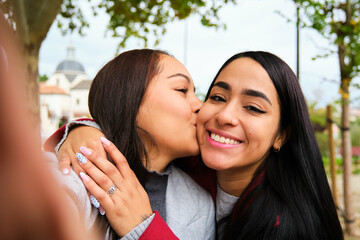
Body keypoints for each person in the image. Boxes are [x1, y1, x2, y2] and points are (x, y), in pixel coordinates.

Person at [46, 51, 343, 239]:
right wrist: (84, 130)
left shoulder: (286, 227)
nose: (219, 114)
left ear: (282, 135)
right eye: (217, 97)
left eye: (253, 108)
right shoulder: (191, 164)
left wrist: (144, 229)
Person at [45, 49, 215, 240]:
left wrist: (143, 228)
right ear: (130, 97)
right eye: (182, 90)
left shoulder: (202, 205)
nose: (201, 105)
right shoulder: (66, 176)